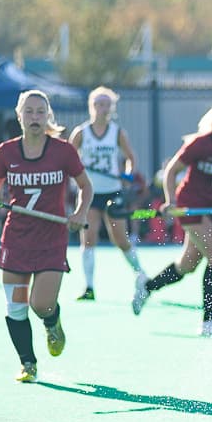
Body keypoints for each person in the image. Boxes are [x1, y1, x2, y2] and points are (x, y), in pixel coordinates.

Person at [0, 90, 92, 382]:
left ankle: (52, 322)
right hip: (16, 240)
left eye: (40, 112)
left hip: (51, 240)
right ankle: (28, 363)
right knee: (16, 305)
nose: (35, 117)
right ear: (19, 116)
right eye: (29, 111)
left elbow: (85, 187)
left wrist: (79, 213)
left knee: (41, 304)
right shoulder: (6, 152)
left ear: (47, 116)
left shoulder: (63, 151)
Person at [132, 99, 212, 337]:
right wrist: (170, 201)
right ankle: (208, 322)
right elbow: (171, 171)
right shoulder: (200, 144)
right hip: (190, 206)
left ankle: (147, 286)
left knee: (186, 265)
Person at [69, 86, 146, 301]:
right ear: (92, 106)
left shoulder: (117, 133)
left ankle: (141, 274)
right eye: (99, 104)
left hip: (113, 191)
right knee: (89, 237)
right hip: (89, 193)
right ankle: (89, 287)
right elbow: (68, 157)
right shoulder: (81, 133)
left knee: (120, 238)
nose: (103, 108)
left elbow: (131, 158)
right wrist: (77, 170)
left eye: (107, 105)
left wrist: (128, 174)